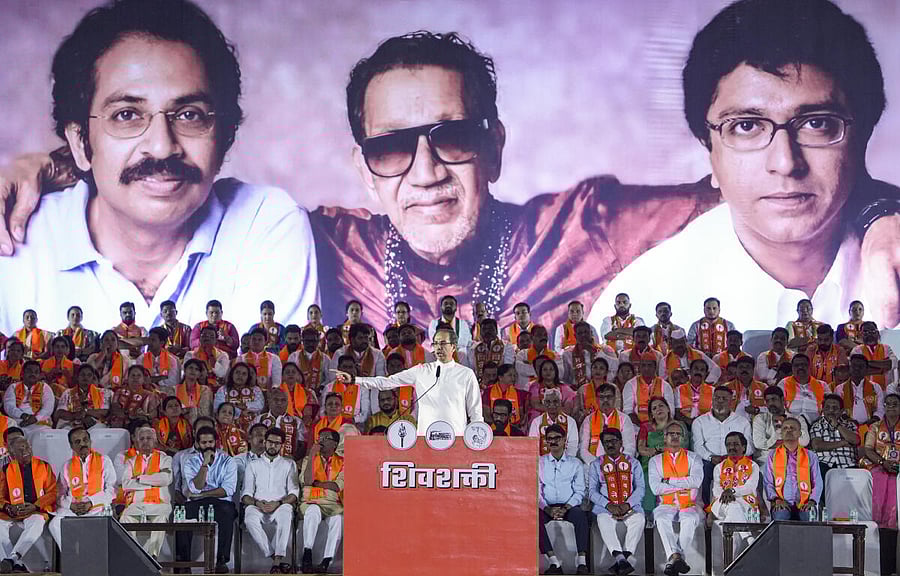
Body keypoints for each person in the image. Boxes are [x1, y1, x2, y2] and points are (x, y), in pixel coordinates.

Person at [0, 0, 318, 336]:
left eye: (189, 114)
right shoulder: (15, 248)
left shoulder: (265, 226)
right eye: (127, 115)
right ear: (79, 143)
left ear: (224, 136)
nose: (162, 146)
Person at [333, 327, 482, 436]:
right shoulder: (422, 371)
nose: (439, 347)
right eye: (436, 343)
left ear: (453, 347)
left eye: (443, 343)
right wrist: (355, 379)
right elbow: (386, 382)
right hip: (426, 438)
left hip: (456, 436)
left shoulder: (466, 374)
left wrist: (476, 439)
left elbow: (475, 412)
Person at [176, 425, 238, 573]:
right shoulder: (191, 462)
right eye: (204, 443)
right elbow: (195, 487)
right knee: (183, 514)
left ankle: (222, 560)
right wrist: (204, 464)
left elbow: (227, 490)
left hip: (221, 502)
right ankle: (184, 563)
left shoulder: (228, 461)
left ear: (215, 442)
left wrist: (202, 494)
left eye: (210, 442)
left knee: (227, 513)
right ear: (197, 444)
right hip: (197, 503)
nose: (207, 446)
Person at [648, 421, 703, 576]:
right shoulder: (655, 461)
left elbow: (696, 482)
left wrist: (669, 480)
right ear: (664, 438)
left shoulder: (694, 458)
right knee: (661, 518)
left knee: (689, 518)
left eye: (678, 434)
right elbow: (655, 488)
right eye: (671, 434)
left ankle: (673, 559)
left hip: (690, 504)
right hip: (666, 503)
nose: (674, 437)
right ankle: (678, 558)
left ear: (684, 438)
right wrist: (684, 483)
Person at [241, 427, 299, 574]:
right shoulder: (253, 465)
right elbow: (246, 494)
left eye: (277, 443)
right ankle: (275, 557)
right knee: (249, 519)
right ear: (265, 442)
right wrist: (257, 503)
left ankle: (277, 561)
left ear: (282, 445)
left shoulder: (289, 464)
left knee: (286, 513)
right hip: (258, 505)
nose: (273, 446)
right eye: (270, 442)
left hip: (280, 505)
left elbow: (294, 493)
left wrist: (278, 503)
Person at [589, 428, 644, 576]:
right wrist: (608, 505)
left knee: (638, 520)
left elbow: (641, 489)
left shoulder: (634, 463)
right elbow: (592, 492)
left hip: (630, 506)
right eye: (606, 442)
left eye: (613, 441)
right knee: (603, 520)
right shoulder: (596, 464)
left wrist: (627, 504)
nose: (610, 445)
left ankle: (622, 560)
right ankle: (621, 558)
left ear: (620, 442)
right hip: (606, 508)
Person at [48, 428, 116, 548]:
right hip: (74, 508)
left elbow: (112, 490)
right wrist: (71, 505)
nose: (82, 444)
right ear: (71, 446)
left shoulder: (104, 460)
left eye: (85, 440)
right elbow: (59, 494)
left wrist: (91, 502)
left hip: (97, 508)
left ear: (90, 441)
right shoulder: (67, 465)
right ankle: (71, 555)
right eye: (77, 442)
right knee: (55, 524)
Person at [0, 432, 56, 573]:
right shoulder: (5, 469)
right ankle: (15, 565)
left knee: (36, 522)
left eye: (27, 448)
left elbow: (53, 492)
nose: (25, 452)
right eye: (20, 450)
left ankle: (12, 559)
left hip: (36, 509)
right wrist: (8, 507)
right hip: (12, 512)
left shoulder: (44, 466)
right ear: (12, 454)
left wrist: (35, 505)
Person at [538, 424, 590, 575]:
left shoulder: (575, 464)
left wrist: (566, 508)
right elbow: (536, 491)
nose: (553, 442)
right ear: (546, 442)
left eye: (557, 438)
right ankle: (554, 562)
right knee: (534, 519)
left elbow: (580, 491)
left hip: (568, 506)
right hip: (546, 506)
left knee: (581, 516)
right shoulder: (539, 463)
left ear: (564, 440)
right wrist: (546, 508)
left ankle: (582, 562)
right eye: (549, 439)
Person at [691, 387, 753, 506]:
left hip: (736, 460)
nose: (719, 401)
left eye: (724, 399)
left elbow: (749, 447)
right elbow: (697, 447)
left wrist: (733, 456)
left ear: (731, 401)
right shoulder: (700, 421)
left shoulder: (742, 421)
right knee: (702, 469)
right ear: (712, 400)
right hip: (710, 461)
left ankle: (742, 505)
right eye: (717, 398)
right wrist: (711, 457)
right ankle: (706, 507)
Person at [119, 422, 173, 559]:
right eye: (141, 439)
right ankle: (138, 555)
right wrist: (153, 483)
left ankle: (152, 556)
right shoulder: (130, 461)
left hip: (159, 504)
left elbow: (166, 479)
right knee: (125, 519)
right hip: (136, 505)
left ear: (155, 441)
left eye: (148, 438)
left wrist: (140, 479)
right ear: (137, 442)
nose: (145, 442)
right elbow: (126, 484)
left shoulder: (164, 458)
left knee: (160, 519)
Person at [299, 428, 343, 574]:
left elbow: (337, 486)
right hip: (311, 502)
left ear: (335, 444)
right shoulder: (309, 459)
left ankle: (326, 561)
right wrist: (311, 455)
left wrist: (317, 484)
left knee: (337, 520)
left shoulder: (343, 462)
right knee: (313, 510)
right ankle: (307, 553)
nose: (321, 441)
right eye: (320, 437)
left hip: (332, 506)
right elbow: (307, 481)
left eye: (325, 438)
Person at [710, 432, 759, 556]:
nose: (731, 447)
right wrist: (725, 494)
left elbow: (750, 487)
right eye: (728, 445)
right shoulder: (719, 467)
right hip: (721, 504)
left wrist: (732, 491)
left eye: (736, 444)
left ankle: (730, 567)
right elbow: (716, 489)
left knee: (732, 524)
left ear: (743, 447)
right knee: (733, 506)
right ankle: (749, 539)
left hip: (745, 503)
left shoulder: (753, 466)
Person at [764, 418, 823, 521]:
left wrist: (812, 501)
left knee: (809, 516)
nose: (788, 430)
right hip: (781, 502)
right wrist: (777, 500)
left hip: (805, 502)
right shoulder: (772, 455)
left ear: (800, 433)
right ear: (781, 433)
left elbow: (817, 482)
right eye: (785, 428)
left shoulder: (810, 455)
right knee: (781, 516)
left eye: (792, 428)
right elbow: (768, 482)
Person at [863, 393, 900, 528]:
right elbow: (868, 449)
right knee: (879, 477)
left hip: (898, 468)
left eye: (895, 404)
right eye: (887, 404)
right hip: (880, 465)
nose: (891, 407)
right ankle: (877, 524)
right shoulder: (875, 426)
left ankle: (892, 525)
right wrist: (883, 462)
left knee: (895, 482)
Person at [579, 383, 636, 468]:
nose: (605, 400)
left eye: (609, 397)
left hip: (619, 466)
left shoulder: (624, 419)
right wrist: (597, 465)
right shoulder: (589, 420)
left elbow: (629, 448)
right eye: (601, 397)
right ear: (597, 400)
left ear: (614, 399)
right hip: (594, 465)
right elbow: (583, 450)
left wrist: (617, 463)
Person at [752, 386, 810, 469]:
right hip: (767, 461)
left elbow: (804, 441)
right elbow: (759, 444)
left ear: (782, 400)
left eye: (774, 399)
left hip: (793, 460)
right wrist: (781, 434)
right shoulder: (760, 419)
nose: (771, 403)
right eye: (768, 401)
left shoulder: (798, 419)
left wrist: (784, 424)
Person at [810, 395, 859, 483]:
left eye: (835, 408)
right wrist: (844, 442)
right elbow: (817, 446)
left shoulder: (850, 425)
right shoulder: (817, 425)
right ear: (823, 409)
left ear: (841, 411)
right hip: (824, 463)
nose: (831, 411)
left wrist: (837, 425)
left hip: (848, 463)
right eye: (827, 407)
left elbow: (855, 440)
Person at [832, 354, 883, 438]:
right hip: (847, 427)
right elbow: (838, 409)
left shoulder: (875, 387)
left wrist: (873, 420)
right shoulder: (840, 388)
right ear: (849, 368)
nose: (857, 368)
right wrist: (847, 419)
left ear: (867, 369)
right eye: (854, 366)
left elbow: (880, 409)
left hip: (871, 427)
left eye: (860, 366)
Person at [564, 322, 619, 392]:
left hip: (603, 392)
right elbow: (565, 379)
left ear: (591, 333)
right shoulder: (568, 354)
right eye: (580, 333)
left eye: (586, 332)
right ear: (575, 336)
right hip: (578, 393)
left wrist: (595, 352)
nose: (583, 335)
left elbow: (616, 366)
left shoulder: (606, 349)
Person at [622, 353, 674, 426]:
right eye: (643, 365)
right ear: (639, 367)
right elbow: (627, 411)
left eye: (649, 365)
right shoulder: (630, 384)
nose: (646, 368)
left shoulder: (665, 385)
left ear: (655, 367)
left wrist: (657, 425)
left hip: (661, 425)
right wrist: (643, 427)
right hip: (637, 426)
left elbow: (670, 411)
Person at [3, 361, 54, 432]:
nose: (33, 374)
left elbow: (48, 408)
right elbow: (9, 407)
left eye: (36, 372)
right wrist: (23, 415)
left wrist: (35, 419)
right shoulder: (13, 387)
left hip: (40, 423)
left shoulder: (45, 387)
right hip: (18, 422)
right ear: (22, 373)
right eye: (29, 371)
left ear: (39, 375)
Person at [55, 364, 111, 430]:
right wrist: (76, 415)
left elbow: (105, 412)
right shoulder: (67, 393)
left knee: (100, 429)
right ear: (77, 377)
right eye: (82, 375)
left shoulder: (103, 392)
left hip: (95, 425)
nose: (85, 378)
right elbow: (59, 413)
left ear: (93, 378)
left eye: (89, 375)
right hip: (72, 425)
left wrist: (85, 412)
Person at [254, 389, 305, 460]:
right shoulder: (259, 419)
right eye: (276, 399)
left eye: (283, 400)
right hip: (262, 461)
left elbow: (303, 445)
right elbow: (251, 440)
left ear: (287, 403)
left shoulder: (296, 421)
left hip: (287, 462)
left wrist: (294, 458)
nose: (279, 403)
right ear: (269, 401)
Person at [779, 354, 828, 425]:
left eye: (804, 365)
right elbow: (779, 404)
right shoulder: (783, 383)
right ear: (792, 368)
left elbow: (829, 404)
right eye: (796, 365)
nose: (800, 367)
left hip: (817, 423)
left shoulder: (822, 385)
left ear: (809, 367)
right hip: (790, 422)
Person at [213, 363, 265, 430]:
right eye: (237, 372)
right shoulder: (223, 389)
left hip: (252, 429)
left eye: (244, 374)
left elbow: (260, 405)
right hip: (228, 428)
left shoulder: (255, 390)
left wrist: (245, 405)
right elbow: (218, 407)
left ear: (248, 377)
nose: (240, 376)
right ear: (232, 374)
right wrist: (240, 412)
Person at [851, 321, 897, 390]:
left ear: (878, 333)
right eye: (865, 332)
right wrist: (881, 368)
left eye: (872, 331)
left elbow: (892, 364)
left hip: (886, 390)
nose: (869, 334)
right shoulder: (857, 350)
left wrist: (866, 364)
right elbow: (857, 370)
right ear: (861, 335)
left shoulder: (886, 348)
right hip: (864, 391)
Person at [467, 318, 515, 385]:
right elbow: (471, 369)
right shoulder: (473, 348)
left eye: (490, 329)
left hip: (501, 385)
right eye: (484, 329)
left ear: (496, 331)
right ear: (480, 332)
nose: (487, 332)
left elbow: (507, 369)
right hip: (479, 385)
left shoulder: (506, 346)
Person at [674, 360, 716, 427]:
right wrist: (689, 422)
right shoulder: (679, 389)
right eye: (696, 369)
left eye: (702, 370)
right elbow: (677, 412)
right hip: (685, 425)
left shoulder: (713, 390)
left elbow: (714, 413)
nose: (698, 372)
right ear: (690, 371)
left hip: (706, 425)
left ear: (706, 374)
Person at [286, 327, 330, 391]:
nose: (311, 344)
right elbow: (289, 376)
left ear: (318, 341)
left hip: (319, 395)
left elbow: (329, 379)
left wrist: (321, 388)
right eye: (307, 341)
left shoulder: (325, 358)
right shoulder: (293, 357)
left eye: (313, 341)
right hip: (298, 393)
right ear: (302, 340)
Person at [172, 358, 213, 424]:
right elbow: (172, 411)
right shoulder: (174, 390)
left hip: (199, 424)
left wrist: (186, 411)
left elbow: (204, 413)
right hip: (178, 423)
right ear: (185, 371)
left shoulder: (205, 390)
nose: (193, 371)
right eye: (190, 368)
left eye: (196, 369)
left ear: (199, 374)